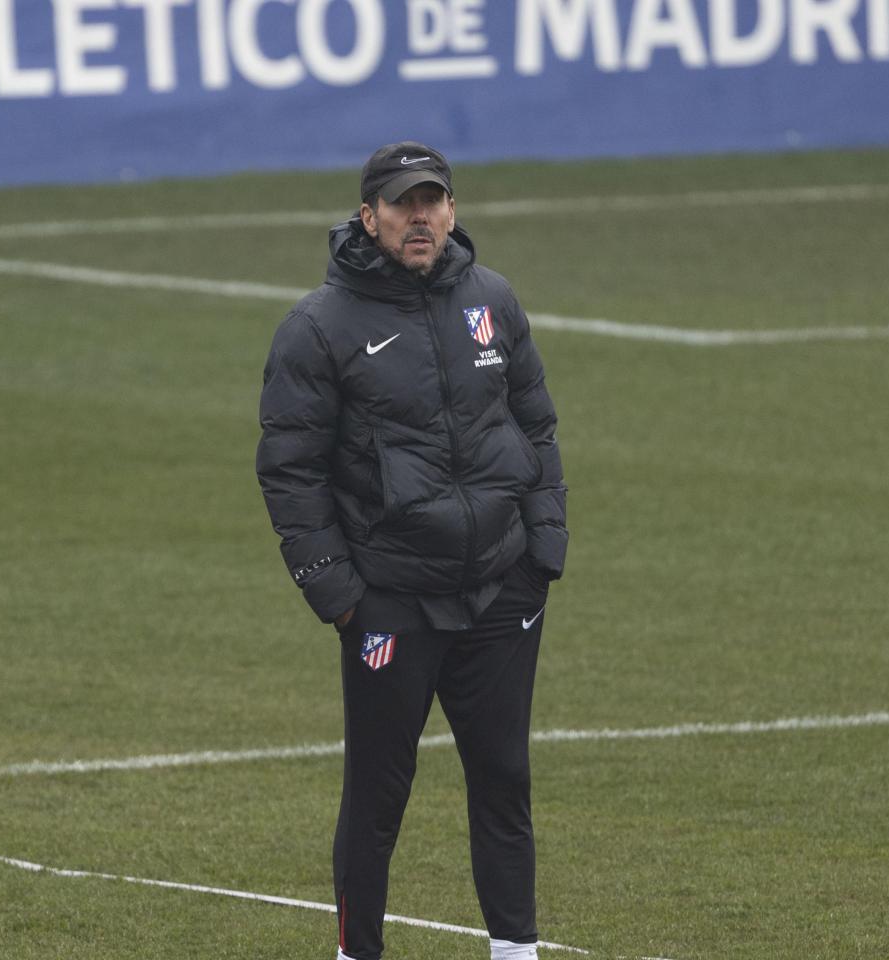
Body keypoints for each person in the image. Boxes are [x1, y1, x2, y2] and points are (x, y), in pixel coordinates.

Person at [256, 141, 568, 960]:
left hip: (501, 592)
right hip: (390, 600)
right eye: (402, 204)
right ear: (370, 218)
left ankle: (516, 951)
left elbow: (535, 424)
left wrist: (542, 555)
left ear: (453, 211)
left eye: (433, 201)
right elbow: (290, 470)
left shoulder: (493, 302)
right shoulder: (318, 328)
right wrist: (339, 594)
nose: (419, 217)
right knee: (378, 798)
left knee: (504, 779)